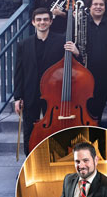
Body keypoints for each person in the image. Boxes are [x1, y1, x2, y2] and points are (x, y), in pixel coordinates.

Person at [14, 8, 77, 155]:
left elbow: (74, 66)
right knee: (30, 129)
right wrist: (18, 97)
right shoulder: (23, 44)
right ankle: (29, 162)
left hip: (55, 94)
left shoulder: (62, 40)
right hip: (31, 92)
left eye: (45, 19)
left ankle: (54, 160)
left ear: (51, 21)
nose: (42, 22)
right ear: (33, 22)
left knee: (55, 129)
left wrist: (77, 52)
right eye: (39, 20)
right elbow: (19, 73)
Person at [84, 0, 107, 120]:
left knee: (101, 102)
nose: (98, 7)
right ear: (89, 7)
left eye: (101, 5)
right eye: (95, 4)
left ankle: (96, 124)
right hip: (86, 71)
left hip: (106, 71)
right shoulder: (81, 22)